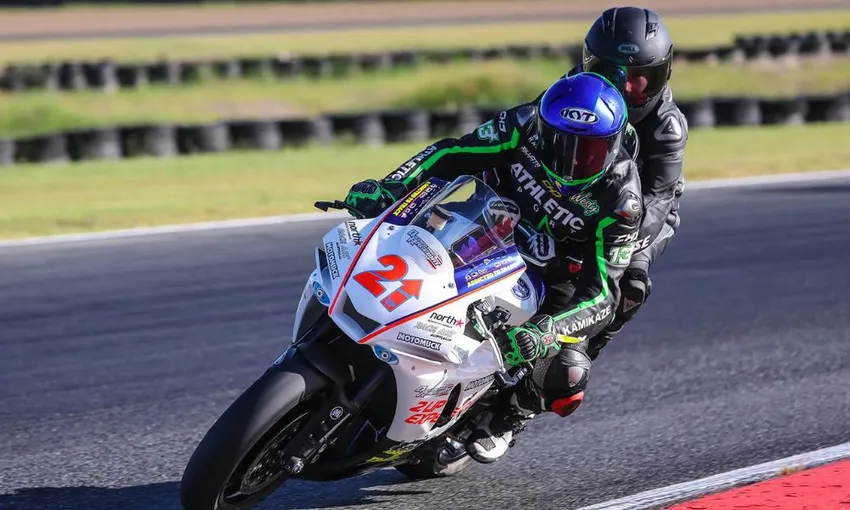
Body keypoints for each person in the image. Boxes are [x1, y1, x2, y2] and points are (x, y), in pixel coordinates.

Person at [342, 72, 644, 463]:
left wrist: (549, 330)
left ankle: (509, 415)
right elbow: (451, 153)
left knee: (566, 376)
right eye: (560, 145)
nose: (570, 164)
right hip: (481, 229)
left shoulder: (621, 200)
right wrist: (392, 185)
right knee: (391, 254)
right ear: (541, 130)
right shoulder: (519, 125)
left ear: (614, 146)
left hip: (552, 280)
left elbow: (604, 292)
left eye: (587, 152)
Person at [527, 6, 688, 363]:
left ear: (664, 74)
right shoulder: (573, 93)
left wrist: (607, 237)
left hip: (639, 217)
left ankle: (581, 347)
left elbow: (659, 199)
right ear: (590, 64)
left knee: (631, 284)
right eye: (613, 74)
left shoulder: (666, 127)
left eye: (642, 78)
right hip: (575, 198)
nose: (627, 89)